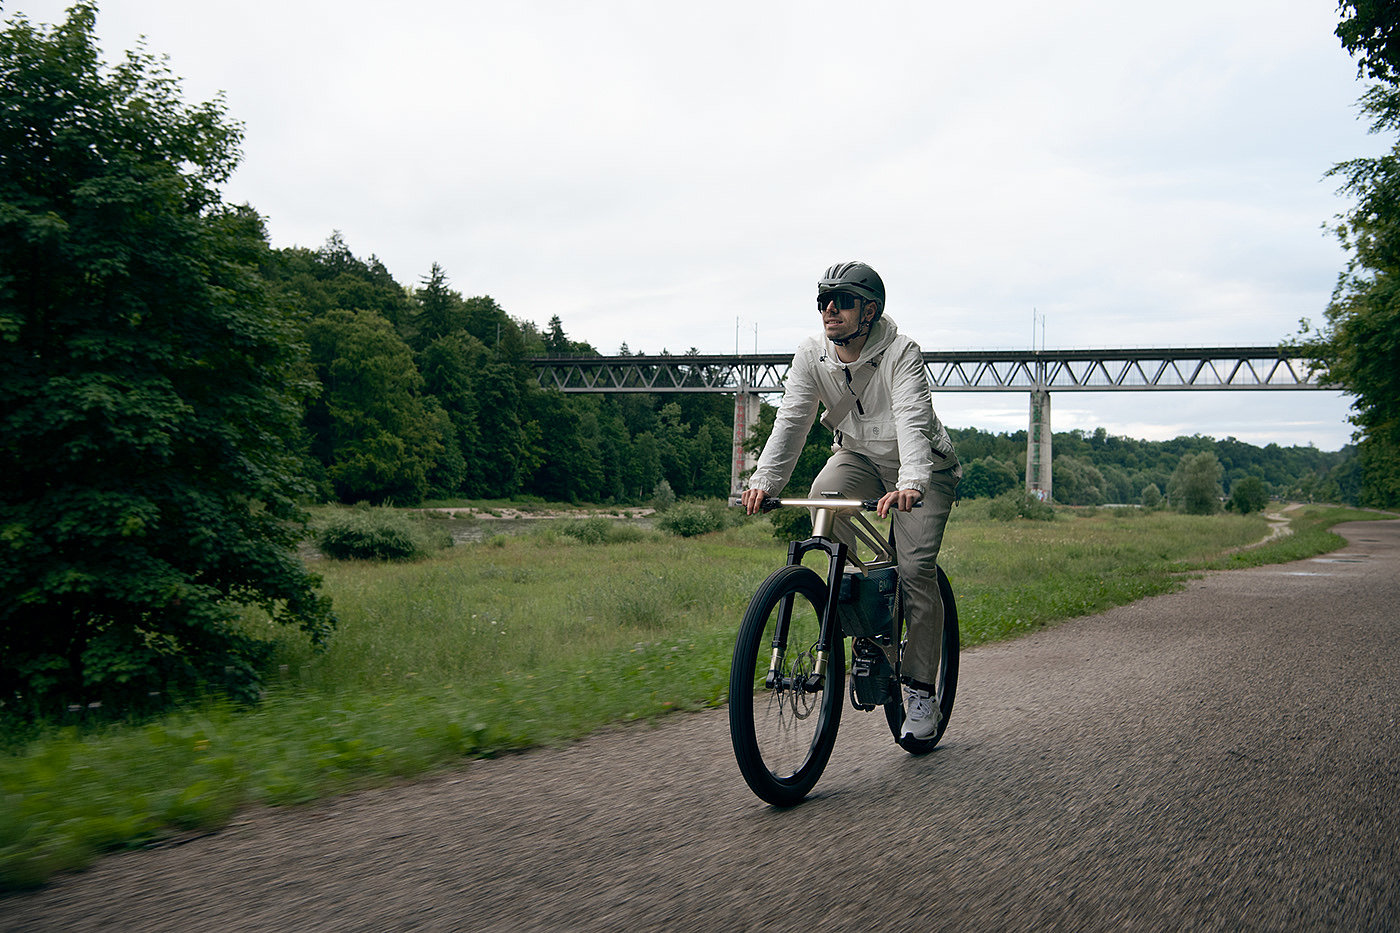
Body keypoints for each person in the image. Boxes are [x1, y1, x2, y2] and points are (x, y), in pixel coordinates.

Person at [741, 261, 961, 740]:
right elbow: (792, 421)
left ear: (870, 310)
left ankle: (921, 690)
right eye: (823, 301)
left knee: (916, 570)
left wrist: (913, 482)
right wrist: (766, 481)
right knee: (824, 497)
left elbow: (912, 421)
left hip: (922, 468)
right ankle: (870, 623)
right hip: (858, 457)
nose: (829, 310)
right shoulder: (812, 356)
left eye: (840, 300)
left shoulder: (903, 353)